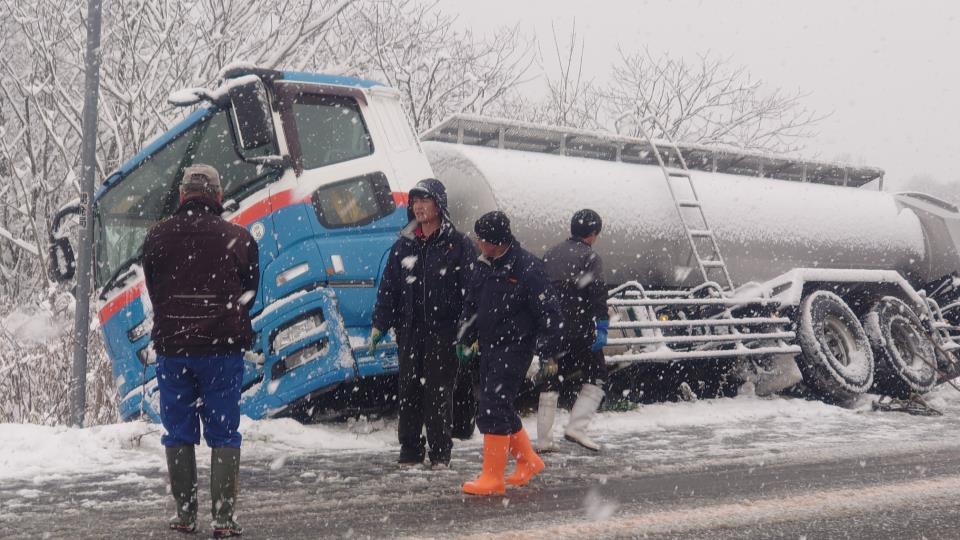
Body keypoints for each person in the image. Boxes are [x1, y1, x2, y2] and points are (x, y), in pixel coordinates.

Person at [142, 163, 259, 538]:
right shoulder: (238, 238)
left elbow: (154, 288)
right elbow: (251, 292)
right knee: (224, 432)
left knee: (177, 431)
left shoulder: (156, 238)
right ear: (218, 196)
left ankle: (185, 514)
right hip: (222, 350)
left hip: (173, 349)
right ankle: (223, 518)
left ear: (182, 196)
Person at [370, 178, 477, 469]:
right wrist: (380, 324)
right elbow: (388, 289)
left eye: (425, 201)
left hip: (444, 334)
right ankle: (409, 450)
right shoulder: (404, 245)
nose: (418, 207)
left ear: (439, 205)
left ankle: (440, 452)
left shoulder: (458, 245)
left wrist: (468, 332)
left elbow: (471, 292)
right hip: (410, 331)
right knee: (408, 392)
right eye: (415, 202)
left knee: (439, 394)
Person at [457, 211, 564, 496]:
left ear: (497, 240)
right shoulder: (482, 265)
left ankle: (492, 477)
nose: (478, 243)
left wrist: (548, 353)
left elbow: (550, 312)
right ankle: (528, 461)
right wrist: (464, 338)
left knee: (493, 406)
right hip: (489, 345)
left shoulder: (527, 268)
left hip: (516, 347)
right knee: (498, 404)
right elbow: (471, 304)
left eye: (483, 239)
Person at [538, 209, 609, 452]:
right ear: (593, 233)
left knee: (550, 380)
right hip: (579, 328)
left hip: (551, 330)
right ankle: (576, 428)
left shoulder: (550, 253)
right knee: (597, 375)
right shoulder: (590, 257)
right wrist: (601, 325)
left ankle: (545, 440)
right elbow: (597, 292)